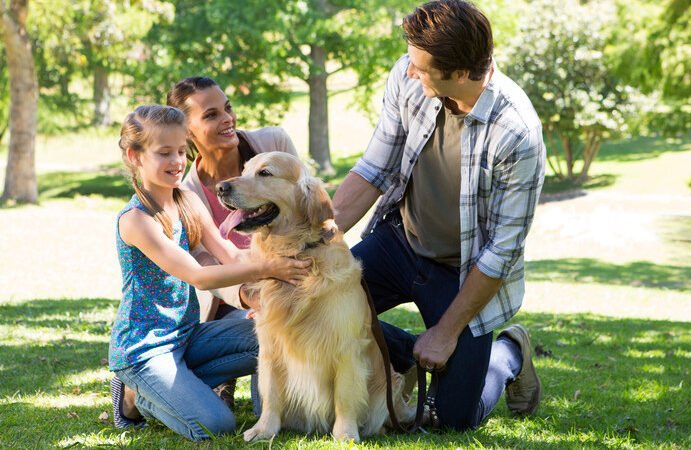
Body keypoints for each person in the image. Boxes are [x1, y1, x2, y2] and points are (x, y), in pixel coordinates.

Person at [332, 0, 546, 430]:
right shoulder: (408, 76)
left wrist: (447, 333)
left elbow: (501, 253)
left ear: (462, 73)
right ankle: (412, 349)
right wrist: (315, 241)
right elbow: (375, 169)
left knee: (448, 418)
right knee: (325, 300)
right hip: (400, 242)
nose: (409, 72)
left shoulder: (518, 133)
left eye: (421, 68)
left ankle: (508, 352)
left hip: (463, 272)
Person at [108, 104, 310, 440]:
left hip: (187, 336)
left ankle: (176, 386)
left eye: (181, 151)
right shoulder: (136, 221)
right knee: (216, 425)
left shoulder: (186, 200)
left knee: (275, 339)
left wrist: (274, 270)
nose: (176, 161)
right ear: (134, 155)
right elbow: (198, 276)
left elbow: (229, 253)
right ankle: (136, 396)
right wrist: (268, 267)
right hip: (145, 350)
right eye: (164, 153)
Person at [166, 76, 299, 405]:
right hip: (234, 304)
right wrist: (250, 296)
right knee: (266, 398)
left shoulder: (274, 143)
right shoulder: (186, 194)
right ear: (187, 132)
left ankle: (401, 358)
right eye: (211, 115)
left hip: (294, 279)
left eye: (228, 108)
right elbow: (205, 265)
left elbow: (302, 209)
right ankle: (221, 376)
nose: (227, 119)